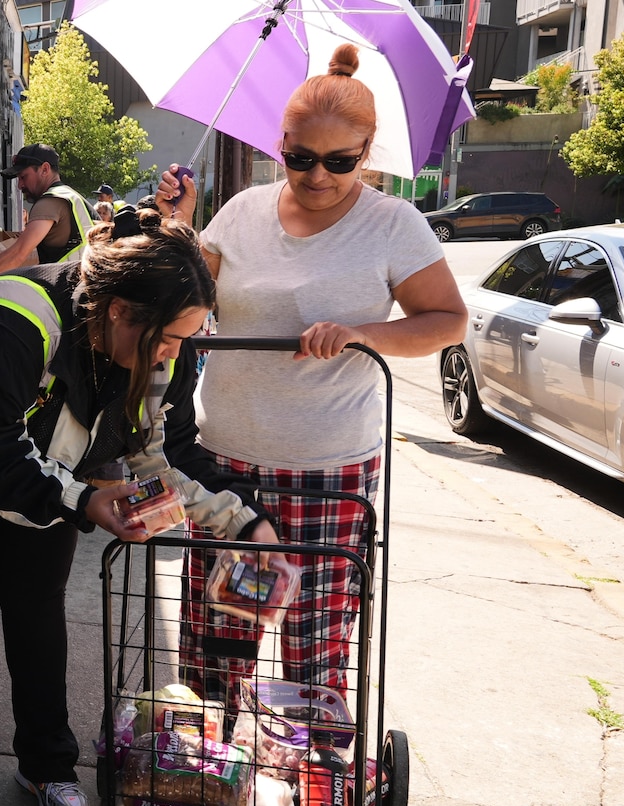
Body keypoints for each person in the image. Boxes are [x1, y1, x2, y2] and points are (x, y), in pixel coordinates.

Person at [0, 212, 280, 806]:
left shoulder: (162, 353)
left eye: (185, 338)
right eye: (169, 338)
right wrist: (82, 500)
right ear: (120, 310)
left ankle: (46, 763)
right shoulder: (13, 318)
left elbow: (166, 453)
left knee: (37, 611)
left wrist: (247, 523)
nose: (175, 355)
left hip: (53, 474)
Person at [153, 44, 467, 708]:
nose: (317, 175)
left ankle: (316, 777)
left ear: (366, 152)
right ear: (282, 144)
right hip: (225, 464)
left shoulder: (392, 226)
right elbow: (191, 297)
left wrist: (362, 333)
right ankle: (210, 776)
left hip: (327, 472)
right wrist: (177, 227)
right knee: (217, 641)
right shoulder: (241, 213)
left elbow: (447, 320)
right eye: (301, 158)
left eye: (340, 161)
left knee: (313, 644)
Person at [0, 145, 93, 309]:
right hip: (84, 295)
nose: (19, 185)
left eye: (24, 177)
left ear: (44, 169)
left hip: (72, 299)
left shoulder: (51, 201)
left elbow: (18, 253)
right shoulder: (72, 197)